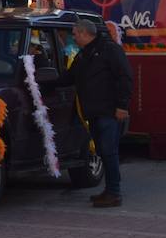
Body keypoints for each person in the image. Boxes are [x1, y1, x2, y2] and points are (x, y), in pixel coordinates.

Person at [52, 18, 133, 208]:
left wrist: (122, 106)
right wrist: (40, 82)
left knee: (109, 151)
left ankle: (114, 193)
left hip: (109, 111)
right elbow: (69, 77)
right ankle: (109, 190)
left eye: (75, 33)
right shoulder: (84, 55)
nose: (73, 37)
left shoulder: (109, 50)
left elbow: (125, 77)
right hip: (93, 113)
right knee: (103, 152)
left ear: (84, 33)